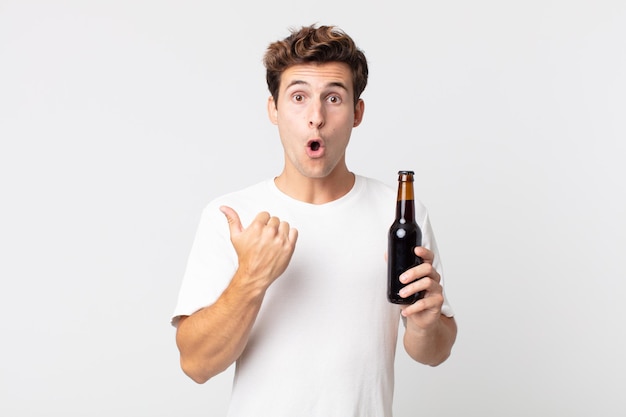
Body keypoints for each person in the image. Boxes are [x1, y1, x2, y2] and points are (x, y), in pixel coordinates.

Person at [171, 24, 457, 417]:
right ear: (274, 109)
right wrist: (251, 277)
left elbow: (434, 352)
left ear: (357, 113)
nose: (316, 117)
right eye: (299, 97)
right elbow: (197, 365)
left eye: (334, 98)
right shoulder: (232, 215)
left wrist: (427, 325)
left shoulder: (401, 213)